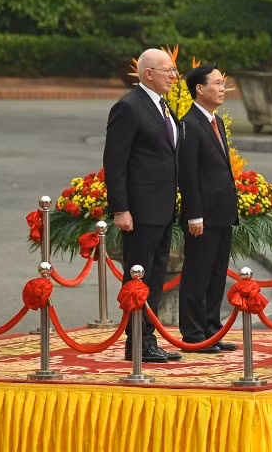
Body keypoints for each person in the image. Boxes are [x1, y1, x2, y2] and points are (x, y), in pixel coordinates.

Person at [103, 48, 183, 363]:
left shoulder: (164, 107)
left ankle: (148, 337)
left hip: (162, 209)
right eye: (168, 70)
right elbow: (115, 161)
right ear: (148, 73)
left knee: (156, 274)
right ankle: (136, 342)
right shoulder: (129, 107)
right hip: (139, 210)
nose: (174, 77)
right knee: (138, 276)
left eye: (175, 71)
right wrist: (120, 208)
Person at [178, 63, 238, 353]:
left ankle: (212, 329)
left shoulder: (217, 122)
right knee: (197, 274)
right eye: (215, 83)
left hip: (222, 211)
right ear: (199, 89)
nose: (222, 88)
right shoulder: (189, 124)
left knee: (217, 274)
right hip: (202, 214)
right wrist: (194, 214)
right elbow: (188, 174)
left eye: (222, 83)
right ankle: (193, 333)